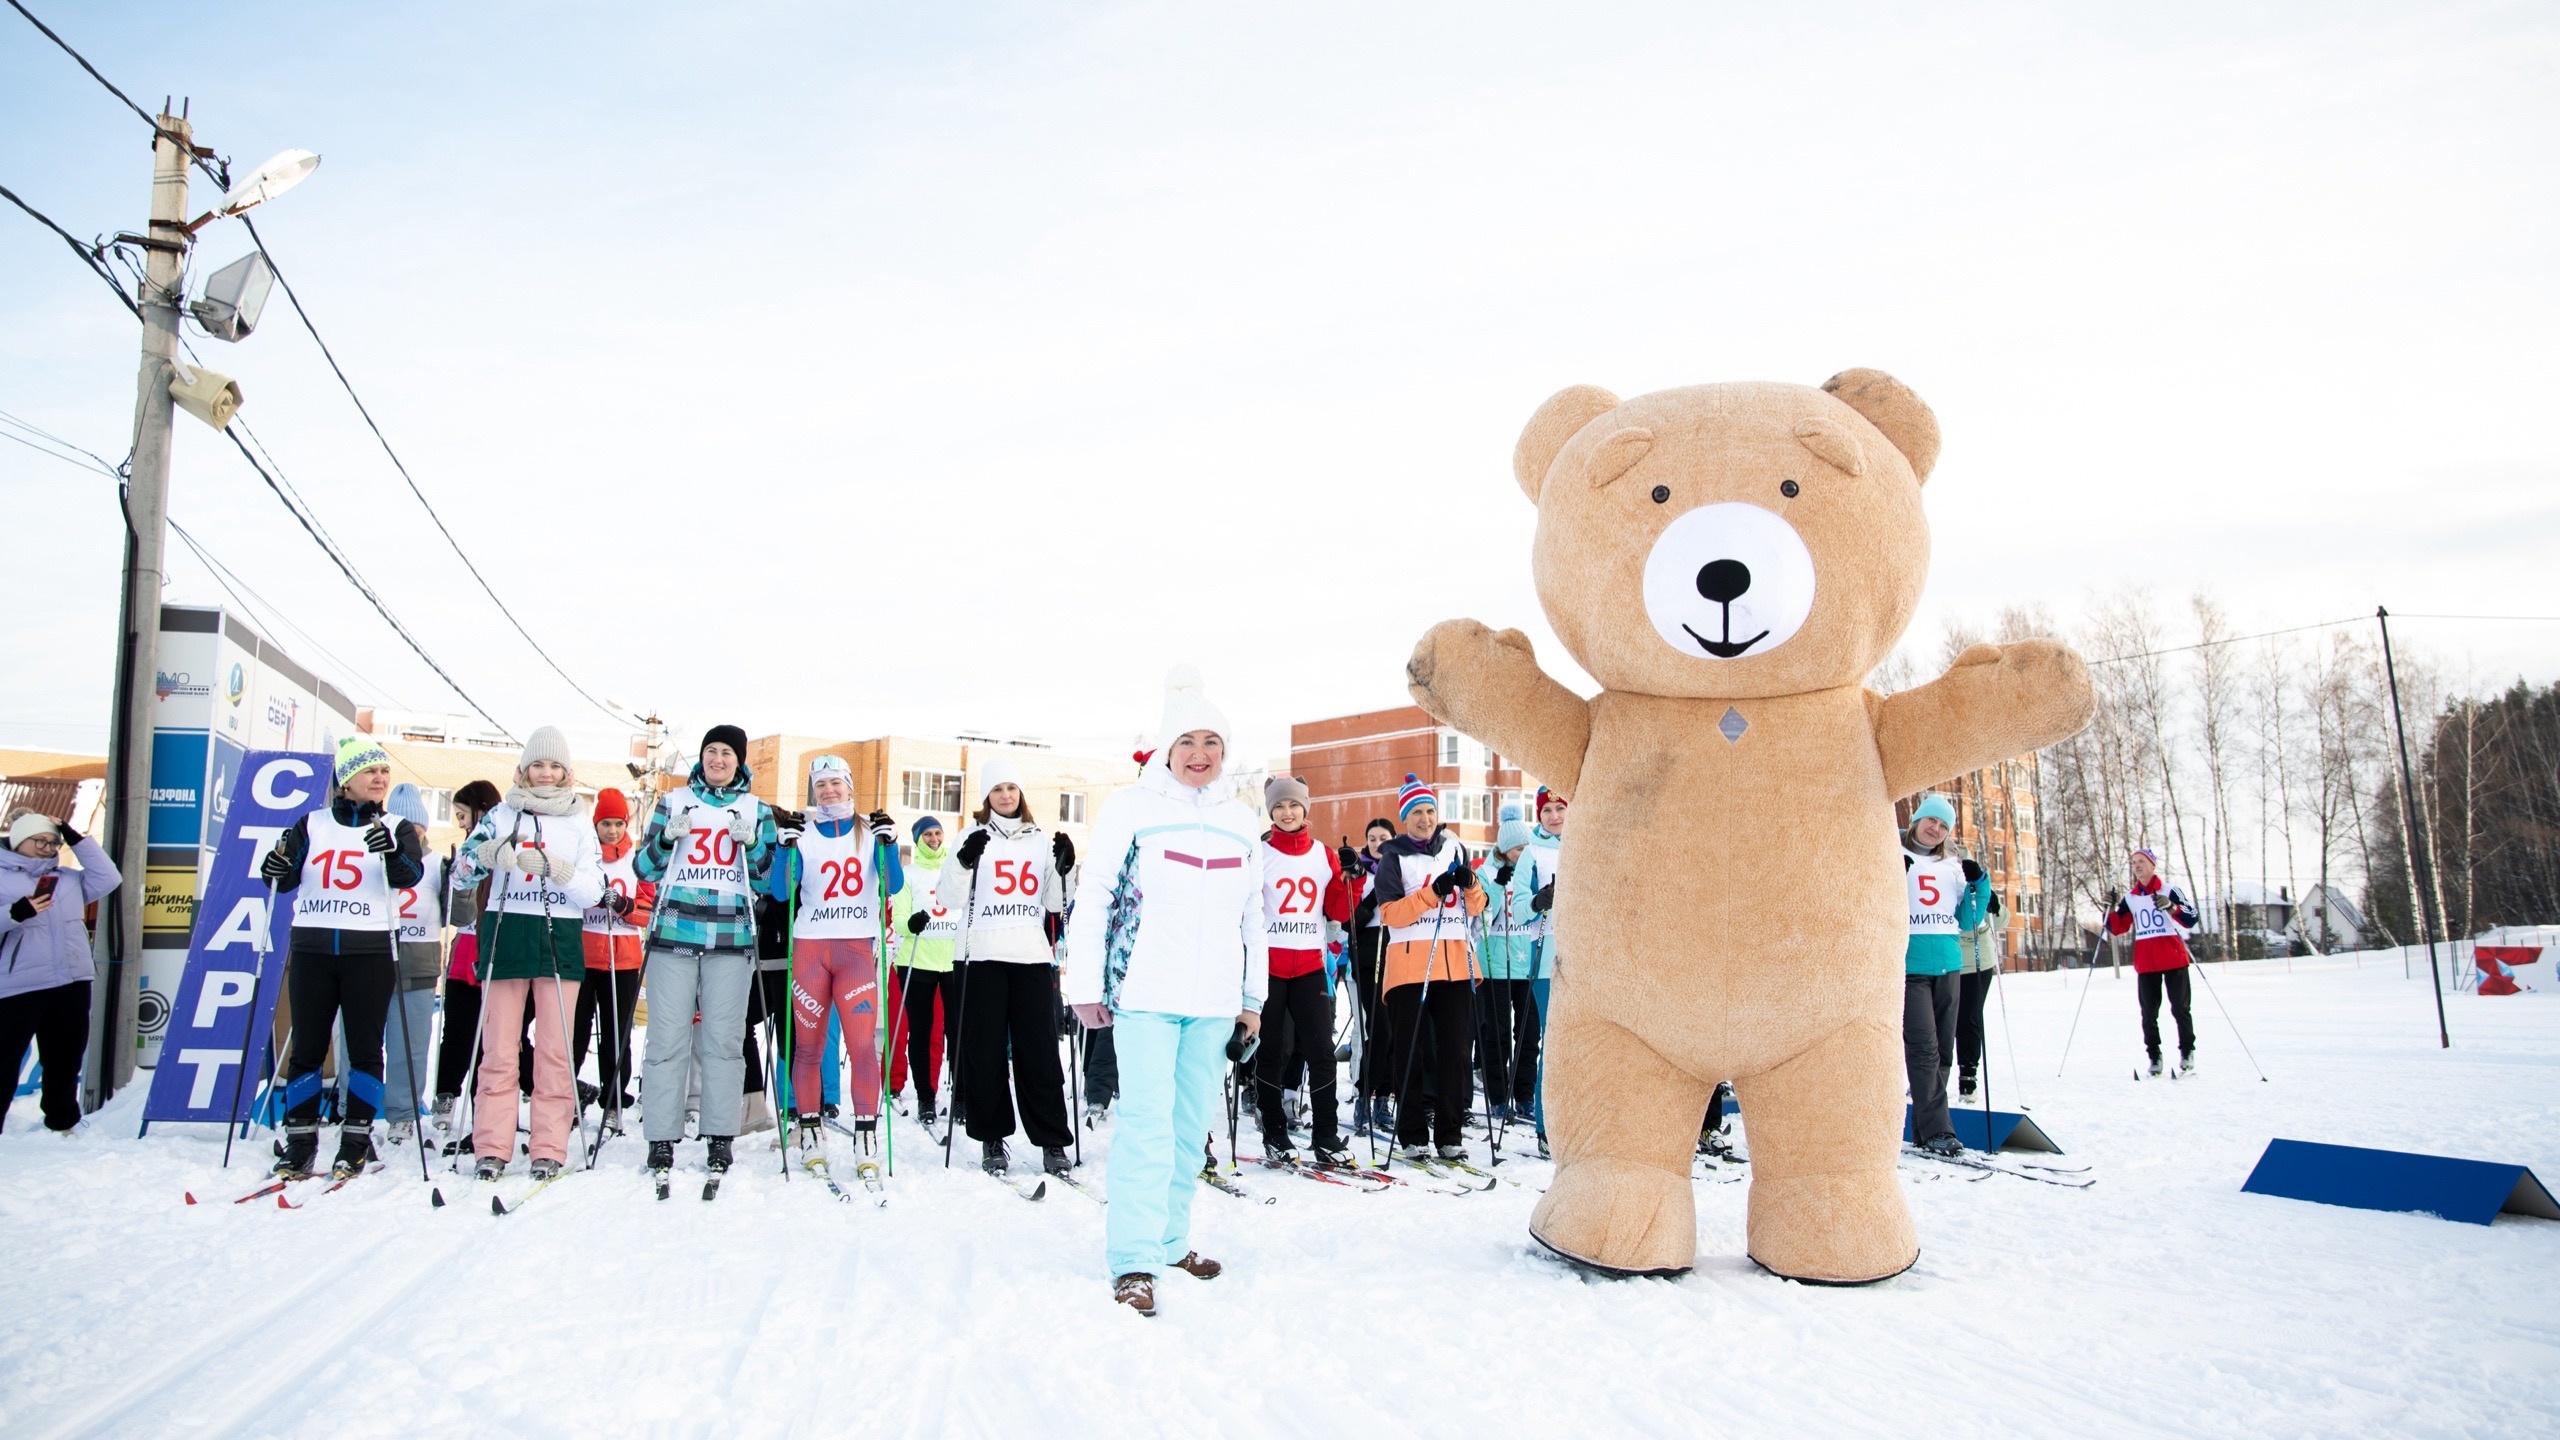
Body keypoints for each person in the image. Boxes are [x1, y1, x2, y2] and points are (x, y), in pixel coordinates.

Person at [1062, 664, 1265, 1317]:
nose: (1200, 755)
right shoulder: (1132, 808)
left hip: (1211, 1004)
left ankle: (1172, 1240)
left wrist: (1251, 1000)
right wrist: (1084, 983)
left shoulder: (1240, 820)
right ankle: (1134, 1261)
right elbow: (1094, 897)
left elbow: (1252, 918)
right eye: (1187, 743)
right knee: (1146, 1128)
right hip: (1145, 993)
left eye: (1212, 743)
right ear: (1166, 749)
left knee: (1186, 1130)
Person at [256, 735, 426, 1177]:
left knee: (366, 1049)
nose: (380, 778)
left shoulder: (395, 826)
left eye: (384, 771)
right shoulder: (310, 824)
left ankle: (356, 1139)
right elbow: (285, 876)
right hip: (313, 948)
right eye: (370, 771)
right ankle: (300, 1142)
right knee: (307, 1048)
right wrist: (272, 869)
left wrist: (390, 852)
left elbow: (408, 876)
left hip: (368, 950)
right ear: (346, 779)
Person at [451, 727, 605, 1181]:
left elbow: (595, 890)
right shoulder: (501, 814)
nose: (545, 773)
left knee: (555, 1050)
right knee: (499, 1047)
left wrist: (557, 870)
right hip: (508, 931)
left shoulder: (579, 820)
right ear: (523, 769)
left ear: (566, 773)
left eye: (554, 766)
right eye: (538, 765)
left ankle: (549, 1145)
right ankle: (492, 1145)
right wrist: (486, 856)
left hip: (559, 935)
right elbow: (461, 873)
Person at [634, 725, 778, 1182]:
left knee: (724, 1042)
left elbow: (767, 881)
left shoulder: (757, 809)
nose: (718, 760)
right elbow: (642, 867)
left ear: (739, 761)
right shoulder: (675, 802)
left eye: (727, 754)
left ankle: (720, 1135)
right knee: (666, 1040)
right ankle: (661, 1136)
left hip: (730, 940)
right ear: (701, 757)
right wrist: (664, 840)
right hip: (675, 932)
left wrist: (752, 844)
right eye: (711, 752)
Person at [937, 755, 1073, 1177]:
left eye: (1011, 788)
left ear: (1021, 793)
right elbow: (951, 898)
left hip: (1030, 954)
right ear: (987, 796)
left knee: (1040, 1052)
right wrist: (962, 862)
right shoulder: (971, 834)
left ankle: (1052, 1140)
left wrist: (1066, 869)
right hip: (980, 955)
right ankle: (991, 1137)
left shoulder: (1040, 839)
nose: (1006, 795)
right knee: (985, 1052)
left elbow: (1054, 903)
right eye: (997, 789)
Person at [770, 755, 902, 1153]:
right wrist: (783, 849)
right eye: (820, 784)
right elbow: (780, 892)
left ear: (849, 786)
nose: (828, 791)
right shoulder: (804, 830)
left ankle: (866, 1131)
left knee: (861, 1045)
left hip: (855, 948)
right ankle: (808, 1126)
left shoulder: (868, 830)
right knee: (808, 1047)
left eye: (835, 783)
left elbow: (891, 885)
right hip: (811, 947)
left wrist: (891, 845)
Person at [1372, 775, 1488, 1163]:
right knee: (1411, 1051)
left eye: (1430, 811)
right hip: (1410, 966)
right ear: (1405, 817)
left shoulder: (1454, 846)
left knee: (1456, 1051)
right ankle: (1412, 1134)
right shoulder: (1394, 855)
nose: (1425, 819)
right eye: (1417, 812)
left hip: (1454, 962)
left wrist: (1470, 886)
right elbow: (1390, 915)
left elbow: (1476, 907)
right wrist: (1431, 893)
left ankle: (1450, 1135)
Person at [0, 810, 120, 1134]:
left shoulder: (67, 879)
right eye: (40, 840)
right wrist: (15, 912)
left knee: (66, 1058)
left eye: (53, 842)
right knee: (4, 1059)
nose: (47, 847)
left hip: (71, 980)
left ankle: (63, 1123)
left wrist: (75, 837)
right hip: (19, 984)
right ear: (18, 839)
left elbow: (109, 878)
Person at [1253, 775, 1352, 1167]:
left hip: (1310, 966)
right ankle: (1275, 1133)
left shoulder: (1324, 855)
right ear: (1271, 812)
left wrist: (1351, 879)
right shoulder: (1259, 853)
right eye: (1279, 806)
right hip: (1270, 967)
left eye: (1294, 805)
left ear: (1305, 809)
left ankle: (1325, 1135)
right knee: (1271, 1052)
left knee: (1321, 1052)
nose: (1287, 812)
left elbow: (1340, 911)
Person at [1902, 793, 1988, 1158]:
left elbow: (1970, 920)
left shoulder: (1952, 864)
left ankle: (1926, 1130)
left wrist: (1979, 884)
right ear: (1918, 819)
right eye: (1931, 821)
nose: (1935, 829)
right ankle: (1939, 1130)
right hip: (1911, 967)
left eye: (1943, 826)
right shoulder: (1894, 853)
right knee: (1923, 1049)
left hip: (1950, 965)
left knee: (1943, 1051)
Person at [577, 787, 654, 1134]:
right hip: (584, 957)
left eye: (618, 824)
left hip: (622, 960)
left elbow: (647, 912)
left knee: (616, 1034)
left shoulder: (636, 863)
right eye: (605, 823)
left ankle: (613, 1099)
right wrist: (592, 898)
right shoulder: (586, 857)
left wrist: (622, 905)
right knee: (575, 1034)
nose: (612, 831)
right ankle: (567, 1096)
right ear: (595, 825)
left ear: (626, 824)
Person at [433, 778, 504, 1139]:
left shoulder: (500, 844)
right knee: (457, 1030)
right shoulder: (466, 850)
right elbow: (457, 913)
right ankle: (447, 1095)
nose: (461, 823)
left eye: (463, 815)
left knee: (492, 1039)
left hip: (492, 950)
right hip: (465, 953)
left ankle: (484, 1115)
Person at [381, 784, 444, 1145]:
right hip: (374, 958)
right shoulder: (376, 855)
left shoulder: (435, 863)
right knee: (361, 1041)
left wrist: (461, 886)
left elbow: (461, 914)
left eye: (416, 826)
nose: (410, 833)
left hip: (418, 963)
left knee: (410, 1044)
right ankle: (350, 1105)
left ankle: (403, 1113)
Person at [2108, 846, 2201, 1077]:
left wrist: (2171, 906)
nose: (2137, 866)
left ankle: (2187, 1052)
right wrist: (2110, 907)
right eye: (2134, 862)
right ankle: (2154, 1056)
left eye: (2141, 861)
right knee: (2149, 1013)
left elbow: (2191, 919)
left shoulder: (2169, 890)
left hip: (2173, 959)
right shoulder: (2130, 898)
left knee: (2180, 1009)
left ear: (2152, 865)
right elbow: (2117, 928)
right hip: (2147, 962)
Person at [1476, 813, 1543, 1131]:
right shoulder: (1487, 871)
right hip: (1496, 965)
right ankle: (1498, 1096)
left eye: (1525, 848)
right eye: (1517, 850)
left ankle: (1524, 1094)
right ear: (1504, 850)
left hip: (1527, 963)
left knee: (1529, 1033)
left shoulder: (1532, 869)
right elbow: (1482, 915)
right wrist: (1500, 891)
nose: (1523, 854)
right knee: (1498, 1034)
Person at [890, 816, 957, 1129]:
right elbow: (899, 918)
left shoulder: (955, 870)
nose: (933, 839)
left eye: (937, 833)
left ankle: (963, 1094)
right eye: (927, 834)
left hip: (953, 961)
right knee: (921, 1030)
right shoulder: (909, 874)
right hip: (917, 962)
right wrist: (911, 923)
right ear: (917, 839)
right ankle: (925, 1095)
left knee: (958, 1031)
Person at [1344, 816, 1394, 1135]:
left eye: (1383, 838)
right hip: (1367, 953)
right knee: (1379, 1030)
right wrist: (1373, 898)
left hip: (1396, 950)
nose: (1377, 844)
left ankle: (1384, 1098)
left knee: (1394, 1032)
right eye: (1372, 838)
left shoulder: (1401, 868)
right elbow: (1349, 921)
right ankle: (1365, 1094)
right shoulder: (1358, 871)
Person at [1523, 787, 1566, 1153]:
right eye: (1547, 810)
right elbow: (1520, 902)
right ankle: (1545, 1125)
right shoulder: (1532, 851)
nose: (1554, 816)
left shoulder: (1584, 843)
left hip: (1584, 956)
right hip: (1546, 957)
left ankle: (1578, 1121)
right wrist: (1539, 900)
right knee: (1552, 1043)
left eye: (1559, 808)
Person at [1957, 886, 2004, 1101]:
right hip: (1944, 957)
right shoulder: (1936, 875)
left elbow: (2001, 920)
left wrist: (1995, 906)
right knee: (1939, 1019)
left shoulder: (1977, 883)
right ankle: (1930, 1076)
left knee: (1969, 1017)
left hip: (1978, 962)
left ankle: (1968, 1076)